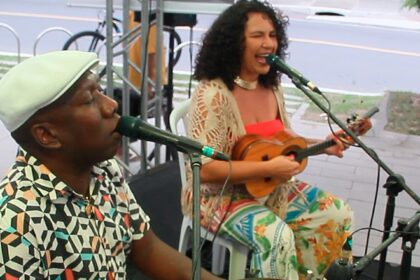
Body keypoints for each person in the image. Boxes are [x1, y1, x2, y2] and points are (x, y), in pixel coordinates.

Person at [0, 50, 220, 279]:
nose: (111, 105)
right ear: (46, 134)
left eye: (101, 91)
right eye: (88, 100)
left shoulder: (104, 170)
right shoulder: (14, 224)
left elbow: (147, 250)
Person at [182, 1, 354, 279]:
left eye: (272, 35)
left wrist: (324, 144)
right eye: (257, 35)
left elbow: (280, 144)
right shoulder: (214, 93)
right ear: (235, 42)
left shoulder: (271, 87)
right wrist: (270, 169)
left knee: (336, 213)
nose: (269, 43)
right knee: (277, 236)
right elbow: (206, 169)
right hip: (217, 196)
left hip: (270, 188)